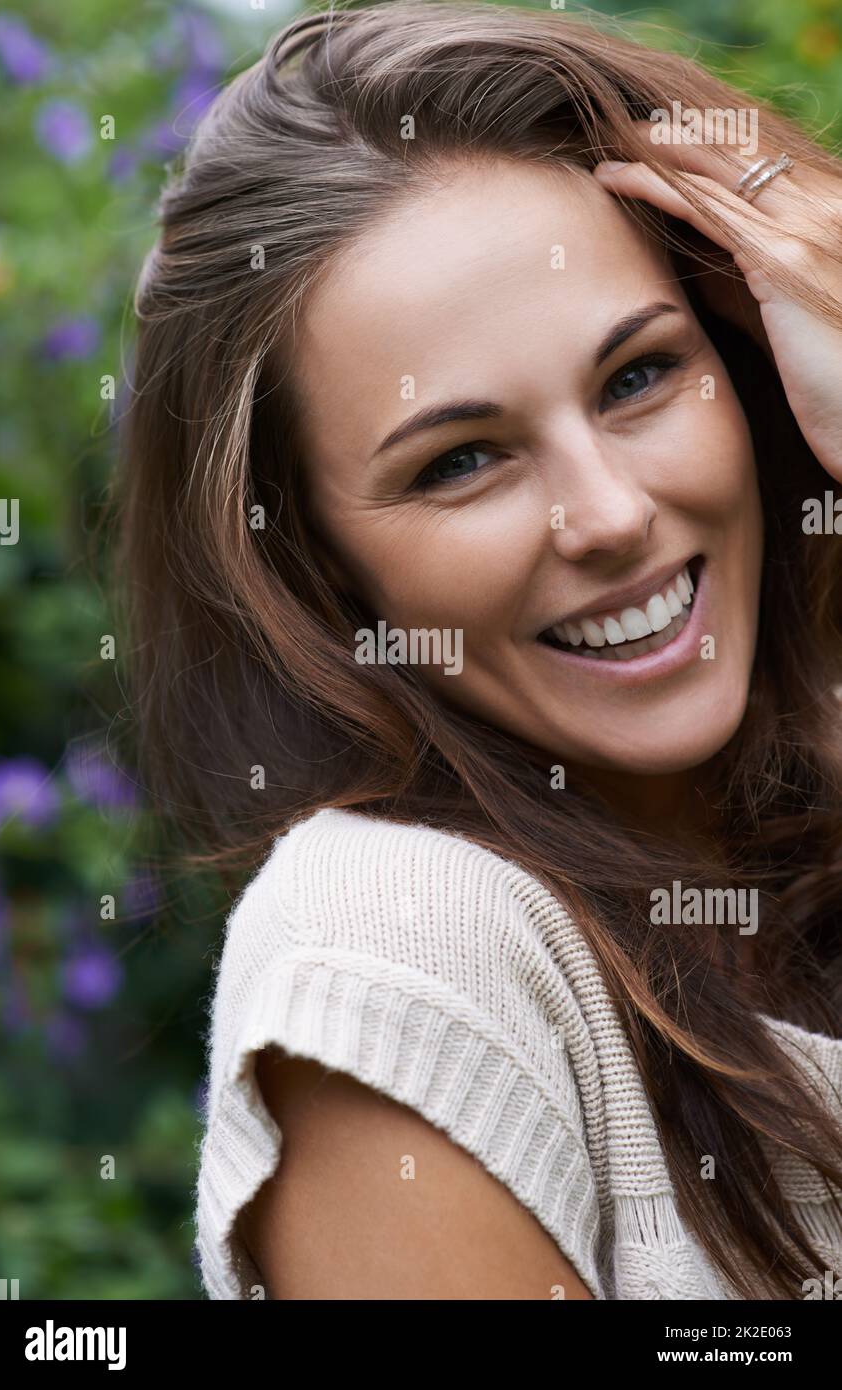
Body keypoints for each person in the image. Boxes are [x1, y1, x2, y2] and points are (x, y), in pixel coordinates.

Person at [115, 1, 842, 1299]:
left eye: (638, 377)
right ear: (318, 561)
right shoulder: (403, 942)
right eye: (462, 460)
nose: (610, 515)